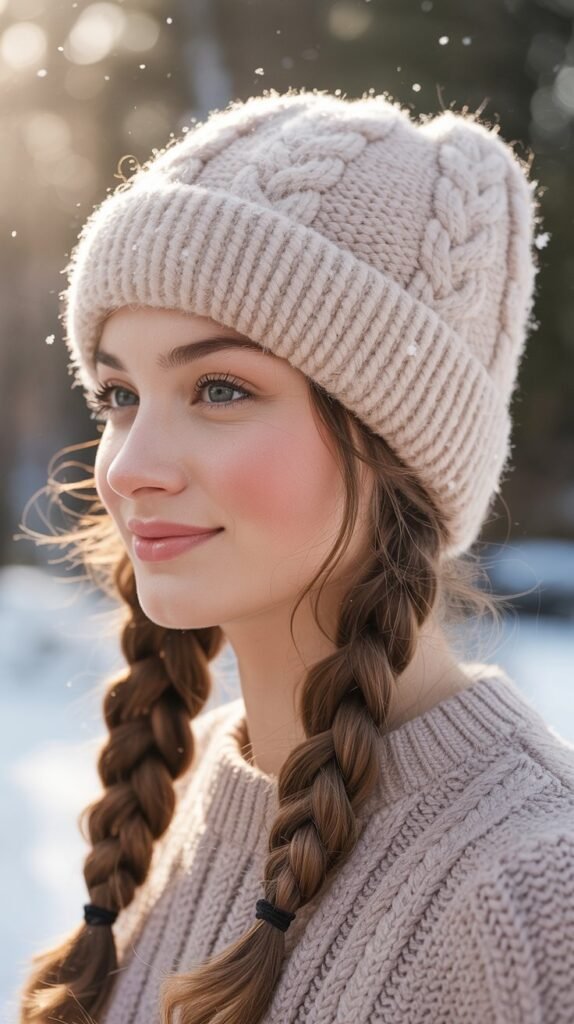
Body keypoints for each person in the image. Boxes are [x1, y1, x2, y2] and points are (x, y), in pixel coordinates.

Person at [18, 87, 574, 1024]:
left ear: (401, 444)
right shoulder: (176, 796)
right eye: (119, 395)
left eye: (221, 388)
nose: (131, 467)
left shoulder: (531, 892)